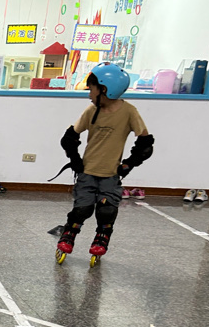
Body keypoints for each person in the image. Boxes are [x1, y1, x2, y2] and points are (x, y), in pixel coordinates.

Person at [56, 62, 155, 265]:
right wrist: (75, 160)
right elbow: (69, 138)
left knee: (106, 211)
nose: (89, 94)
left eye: (91, 89)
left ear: (104, 89)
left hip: (111, 174)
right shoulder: (91, 111)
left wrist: (128, 164)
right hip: (87, 172)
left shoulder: (129, 112)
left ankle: (101, 238)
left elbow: (145, 144)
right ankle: (68, 234)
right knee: (82, 209)